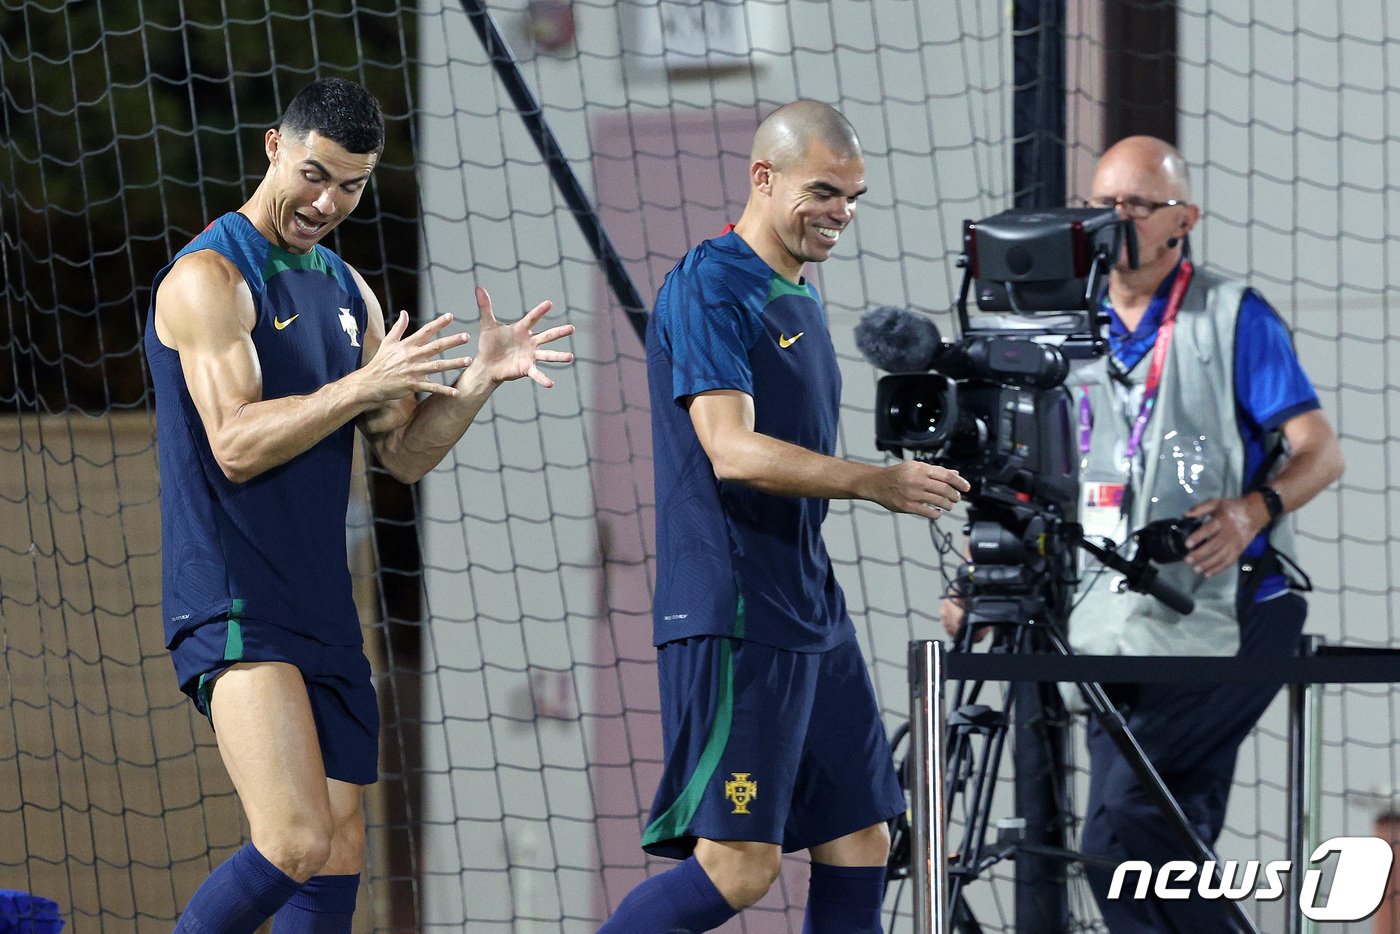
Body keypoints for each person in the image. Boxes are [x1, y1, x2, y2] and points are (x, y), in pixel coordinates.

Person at [144, 77, 574, 932]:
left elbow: (403, 453)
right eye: (313, 174)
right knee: (294, 839)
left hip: (322, 608)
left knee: (339, 850)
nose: (326, 201)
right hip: (234, 600)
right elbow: (233, 442)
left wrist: (477, 382)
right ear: (274, 146)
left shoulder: (348, 291)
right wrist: (363, 383)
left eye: (351, 184)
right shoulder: (210, 278)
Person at [948, 135, 1344, 931]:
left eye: (1134, 205)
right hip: (1110, 625)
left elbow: (1320, 451)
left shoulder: (1231, 315)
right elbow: (1022, 479)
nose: (1112, 222)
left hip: (1227, 614)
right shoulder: (1062, 326)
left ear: (1183, 218)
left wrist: (1250, 510)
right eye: (1099, 205)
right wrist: (975, 580)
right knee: (1168, 846)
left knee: (1118, 838)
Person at [597, 101, 969, 934]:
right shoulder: (711, 285)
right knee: (739, 869)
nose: (842, 212)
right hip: (736, 613)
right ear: (764, 178)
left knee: (862, 839)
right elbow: (730, 448)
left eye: (854, 196)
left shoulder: (794, 295)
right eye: (825, 191)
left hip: (810, 610)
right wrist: (874, 482)